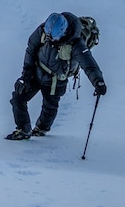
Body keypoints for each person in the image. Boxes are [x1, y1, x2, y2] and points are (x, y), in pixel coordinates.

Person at [6, 11, 106, 140]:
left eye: (54, 37)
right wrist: (25, 76)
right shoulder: (43, 30)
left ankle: (41, 129)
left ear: (64, 32)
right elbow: (31, 50)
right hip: (36, 71)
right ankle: (23, 129)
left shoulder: (76, 43)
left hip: (56, 80)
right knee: (18, 98)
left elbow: (89, 64)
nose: (50, 40)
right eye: (49, 36)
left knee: (49, 107)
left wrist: (98, 81)